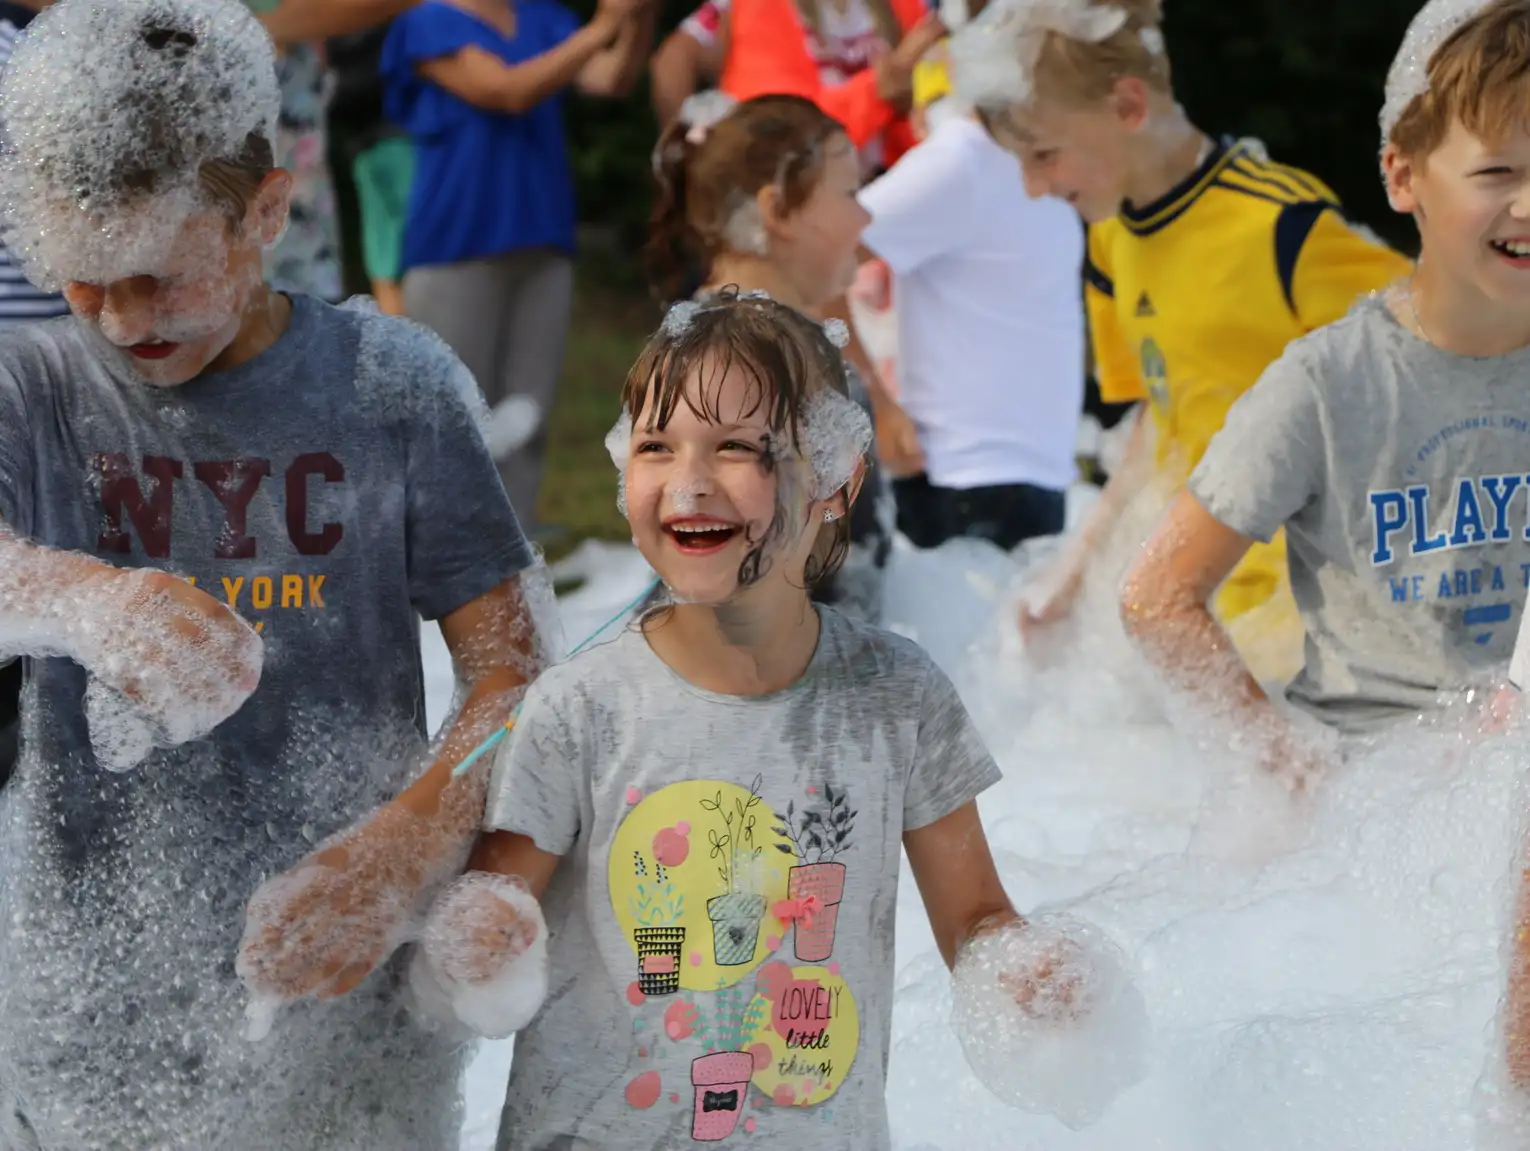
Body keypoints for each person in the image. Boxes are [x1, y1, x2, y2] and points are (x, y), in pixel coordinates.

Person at [0, 0, 547, 1145]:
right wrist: (81, 596)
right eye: (83, 276)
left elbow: (513, 674)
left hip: (344, 1006)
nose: (120, 315)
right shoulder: (31, 388)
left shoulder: (391, 388)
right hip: (84, 1006)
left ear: (265, 210)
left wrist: (406, 845)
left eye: (157, 272)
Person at [414, 290, 1086, 1148]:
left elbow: (975, 917)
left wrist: (1024, 970)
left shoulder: (897, 696)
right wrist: (478, 939)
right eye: (657, 446)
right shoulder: (582, 706)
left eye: (736, 448)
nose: (689, 482)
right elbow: (497, 906)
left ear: (838, 477)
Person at [1117, 0, 1530, 768]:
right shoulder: (1328, 382)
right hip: (1376, 800)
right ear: (1404, 176)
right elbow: (1156, 598)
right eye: (1497, 172)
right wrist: (1284, 770)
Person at [947, 0, 1411, 679]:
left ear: (1128, 106)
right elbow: (1155, 427)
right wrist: (1072, 579)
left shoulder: (1284, 228)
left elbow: (1447, 363)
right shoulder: (1109, 241)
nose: (1033, 186)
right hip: (1207, 620)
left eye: (1043, 154)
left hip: (1324, 631)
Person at [381, 0, 656, 528]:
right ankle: (434, 569)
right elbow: (506, 91)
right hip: (455, 243)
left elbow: (611, 79)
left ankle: (513, 559)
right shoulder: (428, 20)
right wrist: (602, 26)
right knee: (448, 421)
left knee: (527, 416)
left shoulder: (545, 18)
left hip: (542, 236)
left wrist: (637, 17)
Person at [646, 92, 893, 622]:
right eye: (850, 192)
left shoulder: (772, 343)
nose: (865, 213)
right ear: (777, 210)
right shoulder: (733, 362)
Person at [855, 35, 1085, 551]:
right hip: (964, 474)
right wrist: (875, 401)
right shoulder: (957, 158)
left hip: (1029, 472)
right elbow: (806, 263)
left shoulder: (1038, 159)